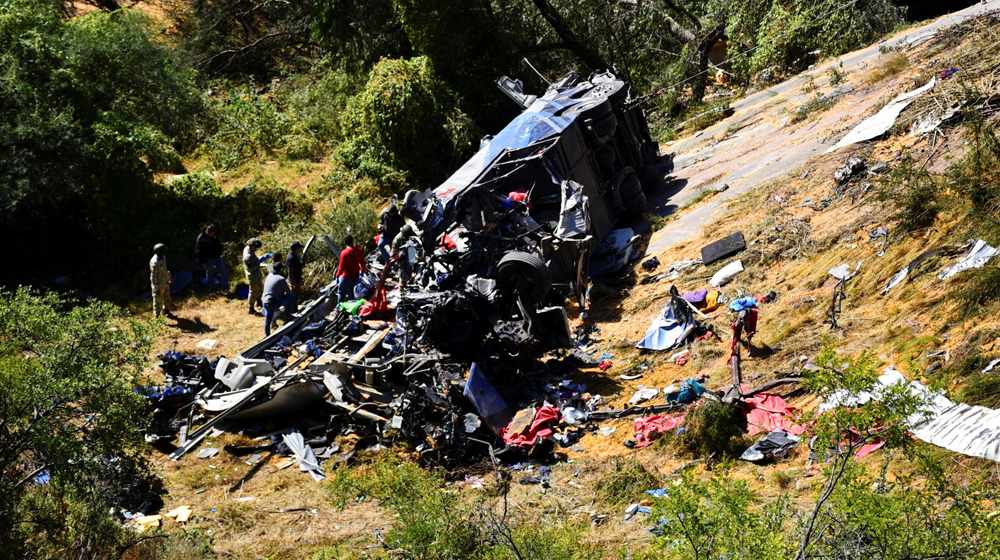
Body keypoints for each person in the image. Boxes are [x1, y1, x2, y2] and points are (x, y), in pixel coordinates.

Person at [262, 263, 296, 337]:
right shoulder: (281, 279)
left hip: (265, 302)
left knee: (268, 319)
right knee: (292, 296)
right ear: (281, 270)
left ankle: (267, 335)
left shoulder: (269, 275)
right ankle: (287, 314)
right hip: (272, 303)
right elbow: (288, 292)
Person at [242, 238, 270, 315]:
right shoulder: (248, 256)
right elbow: (250, 269)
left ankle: (259, 301)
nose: (256, 249)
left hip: (257, 275)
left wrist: (261, 258)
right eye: (255, 247)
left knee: (261, 289)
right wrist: (258, 262)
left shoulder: (249, 250)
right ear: (251, 246)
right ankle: (251, 308)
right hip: (252, 276)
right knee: (253, 292)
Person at [195, 224, 228, 291]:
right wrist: (202, 262)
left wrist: (220, 252)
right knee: (210, 273)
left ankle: (225, 287)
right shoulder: (201, 238)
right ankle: (212, 289)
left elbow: (218, 244)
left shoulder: (214, 236)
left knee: (223, 270)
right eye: (212, 233)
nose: (213, 234)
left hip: (217, 256)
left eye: (214, 233)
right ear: (207, 232)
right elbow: (198, 251)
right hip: (208, 259)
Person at [335, 234, 366, 302]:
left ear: (345, 243)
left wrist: (337, 276)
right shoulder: (359, 250)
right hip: (356, 275)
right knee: (353, 292)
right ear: (352, 241)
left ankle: (339, 307)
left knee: (341, 292)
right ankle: (353, 305)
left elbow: (341, 267)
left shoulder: (344, 253)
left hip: (346, 277)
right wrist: (362, 271)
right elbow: (363, 263)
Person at [150, 243, 176, 319]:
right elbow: (153, 277)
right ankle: (157, 317)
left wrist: (169, 277)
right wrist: (156, 288)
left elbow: (165, 269)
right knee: (157, 302)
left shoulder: (163, 258)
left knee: (167, 299)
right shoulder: (154, 262)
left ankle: (167, 313)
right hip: (159, 285)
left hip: (165, 282)